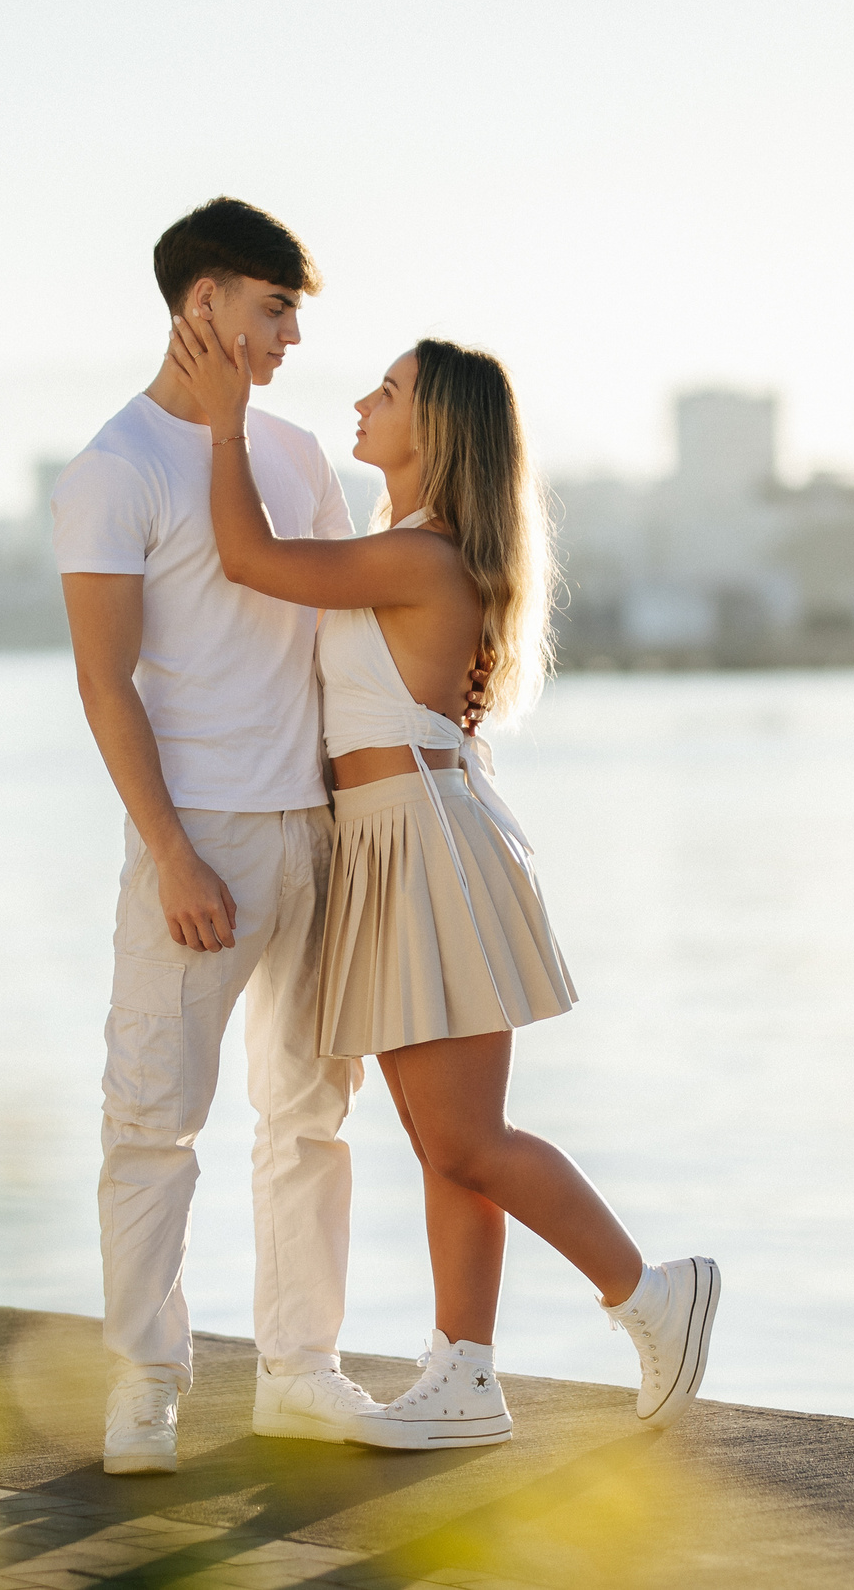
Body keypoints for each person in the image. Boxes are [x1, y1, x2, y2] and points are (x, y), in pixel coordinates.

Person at [168, 309, 722, 1448]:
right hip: (389, 841)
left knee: (466, 1138)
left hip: (422, 844)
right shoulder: (412, 545)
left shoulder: (420, 557)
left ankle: (652, 1295)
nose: (360, 405)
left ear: (436, 429)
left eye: (385, 391)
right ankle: (464, 1372)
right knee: (442, 1138)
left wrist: (223, 428)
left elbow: (250, 559)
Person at [52, 198, 391, 1476]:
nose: (295, 334)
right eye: (273, 307)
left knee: (310, 1117)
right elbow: (105, 683)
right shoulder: (113, 469)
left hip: (318, 830)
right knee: (153, 1121)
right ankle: (145, 1382)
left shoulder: (301, 458)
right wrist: (175, 852)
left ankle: (302, 1373)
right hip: (197, 845)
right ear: (204, 304)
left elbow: (340, 632)